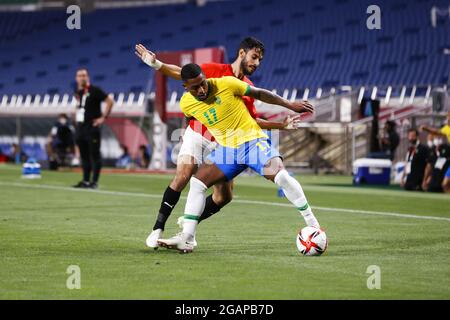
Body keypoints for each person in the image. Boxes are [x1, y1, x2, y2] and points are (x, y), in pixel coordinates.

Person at [135, 38, 302, 248]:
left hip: (225, 142)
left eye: (259, 60)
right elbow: (182, 72)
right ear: (242, 53)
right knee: (184, 175)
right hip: (197, 133)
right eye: (254, 57)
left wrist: (280, 125)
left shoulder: (246, 87)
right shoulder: (215, 70)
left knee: (223, 197)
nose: (256, 63)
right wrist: (156, 64)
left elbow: (251, 121)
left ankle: (188, 227)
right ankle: (157, 229)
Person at [157, 63, 319, 253]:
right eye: (195, 87)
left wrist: (289, 105)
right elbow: (191, 118)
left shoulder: (227, 83)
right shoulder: (186, 103)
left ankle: (313, 225)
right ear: (186, 87)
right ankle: (187, 238)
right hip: (227, 150)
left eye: (203, 83)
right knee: (197, 183)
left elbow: (260, 93)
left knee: (281, 176)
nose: (201, 89)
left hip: (252, 142)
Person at [72, 68, 114, 189]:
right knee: (84, 155)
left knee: (94, 155)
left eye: (84, 75)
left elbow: (110, 101)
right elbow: (79, 107)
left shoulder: (95, 90)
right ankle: (85, 181)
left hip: (92, 127)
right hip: (81, 127)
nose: (82, 78)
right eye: (79, 76)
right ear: (76, 78)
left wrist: (103, 117)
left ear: (88, 77)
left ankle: (94, 182)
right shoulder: (77, 92)